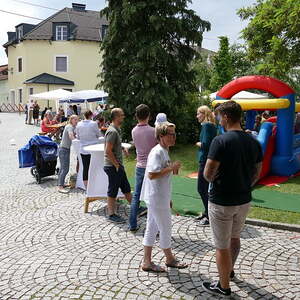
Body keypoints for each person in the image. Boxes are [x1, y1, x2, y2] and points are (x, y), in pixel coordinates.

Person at [202, 101, 263, 297]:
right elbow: (258, 172)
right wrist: (245, 184)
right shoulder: (253, 141)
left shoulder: (220, 141)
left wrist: (218, 180)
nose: (219, 120)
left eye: (220, 116)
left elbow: (208, 173)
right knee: (234, 239)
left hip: (221, 200)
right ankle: (229, 271)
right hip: (244, 199)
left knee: (221, 245)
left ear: (226, 117)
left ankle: (223, 286)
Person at [141, 122, 187, 273]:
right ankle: (169, 258)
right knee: (165, 227)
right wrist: (171, 168)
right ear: (161, 136)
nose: (174, 137)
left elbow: (162, 173)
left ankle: (147, 262)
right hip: (156, 197)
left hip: (159, 196)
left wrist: (171, 170)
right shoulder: (157, 152)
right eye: (171, 134)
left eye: (175, 134)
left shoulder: (164, 150)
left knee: (152, 227)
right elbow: (152, 174)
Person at [129, 104, 157, 232]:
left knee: (136, 196)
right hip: (151, 166)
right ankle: (155, 227)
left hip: (140, 166)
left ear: (136, 116)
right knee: (153, 196)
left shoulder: (134, 131)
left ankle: (132, 224)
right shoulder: (153, 131)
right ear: (149, 116)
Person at [104, 108, 132, 223]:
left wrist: (122, 148)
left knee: (126, 187)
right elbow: (108, 150)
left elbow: (114, 145)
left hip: (117, 166)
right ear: (116, 117)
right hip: (112, 166)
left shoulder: (116, 130)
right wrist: (116, 164)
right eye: (122, 115)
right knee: (113, 190)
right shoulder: (112, 131)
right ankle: (111, 214)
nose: (123, 117)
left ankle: (135, 207)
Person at [195, 106, 217, 225]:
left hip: (205, 160)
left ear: (204, 114)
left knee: (201, 188)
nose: (197, 116)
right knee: (204, 188)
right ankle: (206, 212)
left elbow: (207, 144)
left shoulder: (207, 126)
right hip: (206, 159)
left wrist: (199, 144)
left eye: (198, 113)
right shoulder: (209, 126)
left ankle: (209, 216)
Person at [75, 110, 100, 187]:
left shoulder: (79, 124)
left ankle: (87, 187)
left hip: (84, 149)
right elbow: (98, 134)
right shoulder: (94, 124)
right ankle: (94, 184)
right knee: (94, 167)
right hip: (93, 149)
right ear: (91, 115)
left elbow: (78, 136)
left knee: (86, 168)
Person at [58, 115, 79, 193]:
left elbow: (75, 135)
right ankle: (60, 187)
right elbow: (71, 136)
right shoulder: (70, 126)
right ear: (71, 120)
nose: (77, 121)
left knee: (62, 168)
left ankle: (61, 183)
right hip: (64, 149)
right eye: (75, 120)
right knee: (65, 168)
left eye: (78, 119)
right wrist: (77, 141)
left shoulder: (71, 126)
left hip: (63, 149)